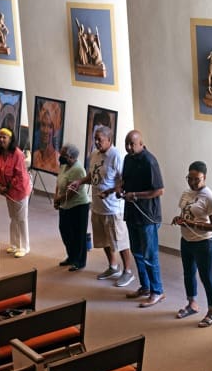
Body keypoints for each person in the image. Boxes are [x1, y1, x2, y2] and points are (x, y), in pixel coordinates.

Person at [69, 125, 135, 287]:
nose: (97, 142)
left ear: (109, 140)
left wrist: (111, 192)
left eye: (100, 140)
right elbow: (92, 175)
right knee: (103, 240)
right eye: (95, 139)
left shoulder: (116, 156)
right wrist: (80, 181)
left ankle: (128, 271)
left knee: (119, 241)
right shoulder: (94, 155)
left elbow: (123, 180)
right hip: (98, 206)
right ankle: (113, 267)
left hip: (113, 208)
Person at [120, 130, 165, 308]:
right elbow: (124, 180)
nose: (129, 147)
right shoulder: (128, 159)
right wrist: (118, 188)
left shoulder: (149, 161)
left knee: (149, 255)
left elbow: (159, 190)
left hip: (147, 216)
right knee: (137, 253)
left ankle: (157, 291)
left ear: (141, 143)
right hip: (132, 214)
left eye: (132, 144)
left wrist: (135, 195)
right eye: (127, 144)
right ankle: (145, 287)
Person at [172, 161, 212, 327]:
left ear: (204, 177)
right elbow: (185, 213)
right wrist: (179, 219)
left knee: (206, 276)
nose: (192, 182)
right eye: (189, 178)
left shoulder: (209, 197)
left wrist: (192, 224)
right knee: (188, 273)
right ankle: (192, 303)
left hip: (204, 242)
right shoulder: (186, 193)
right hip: (186, 240)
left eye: (196, 180)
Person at [0, 127, 31, 257]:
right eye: (0, 137)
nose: (1, 139)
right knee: (13, 217)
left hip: (20, 189)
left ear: (11, 139)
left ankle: (24, 247)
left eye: (4, 137)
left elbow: (19, 175)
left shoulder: (18, 154)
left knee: (21, 218)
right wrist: (0, 185)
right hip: (8, 190)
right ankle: (14, 244)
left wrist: (7, 186)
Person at [54, 143, 90, 271]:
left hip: (79, 205)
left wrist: (59, 199)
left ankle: (79, 261)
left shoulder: (78, 169)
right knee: (64, 230)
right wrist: (56, 198)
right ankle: (71, 256)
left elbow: (72, 192)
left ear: (71, 157)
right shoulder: (64, 165)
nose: (61, 156)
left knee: (78, 234)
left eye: (63, 155)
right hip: (65, 204)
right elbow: (59, 182)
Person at [33, 102, 60, 174]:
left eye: (50, 126)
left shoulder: (57, 161)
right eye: (43, 125)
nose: (45, 131)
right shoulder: (35, 156)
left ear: (54, 130)